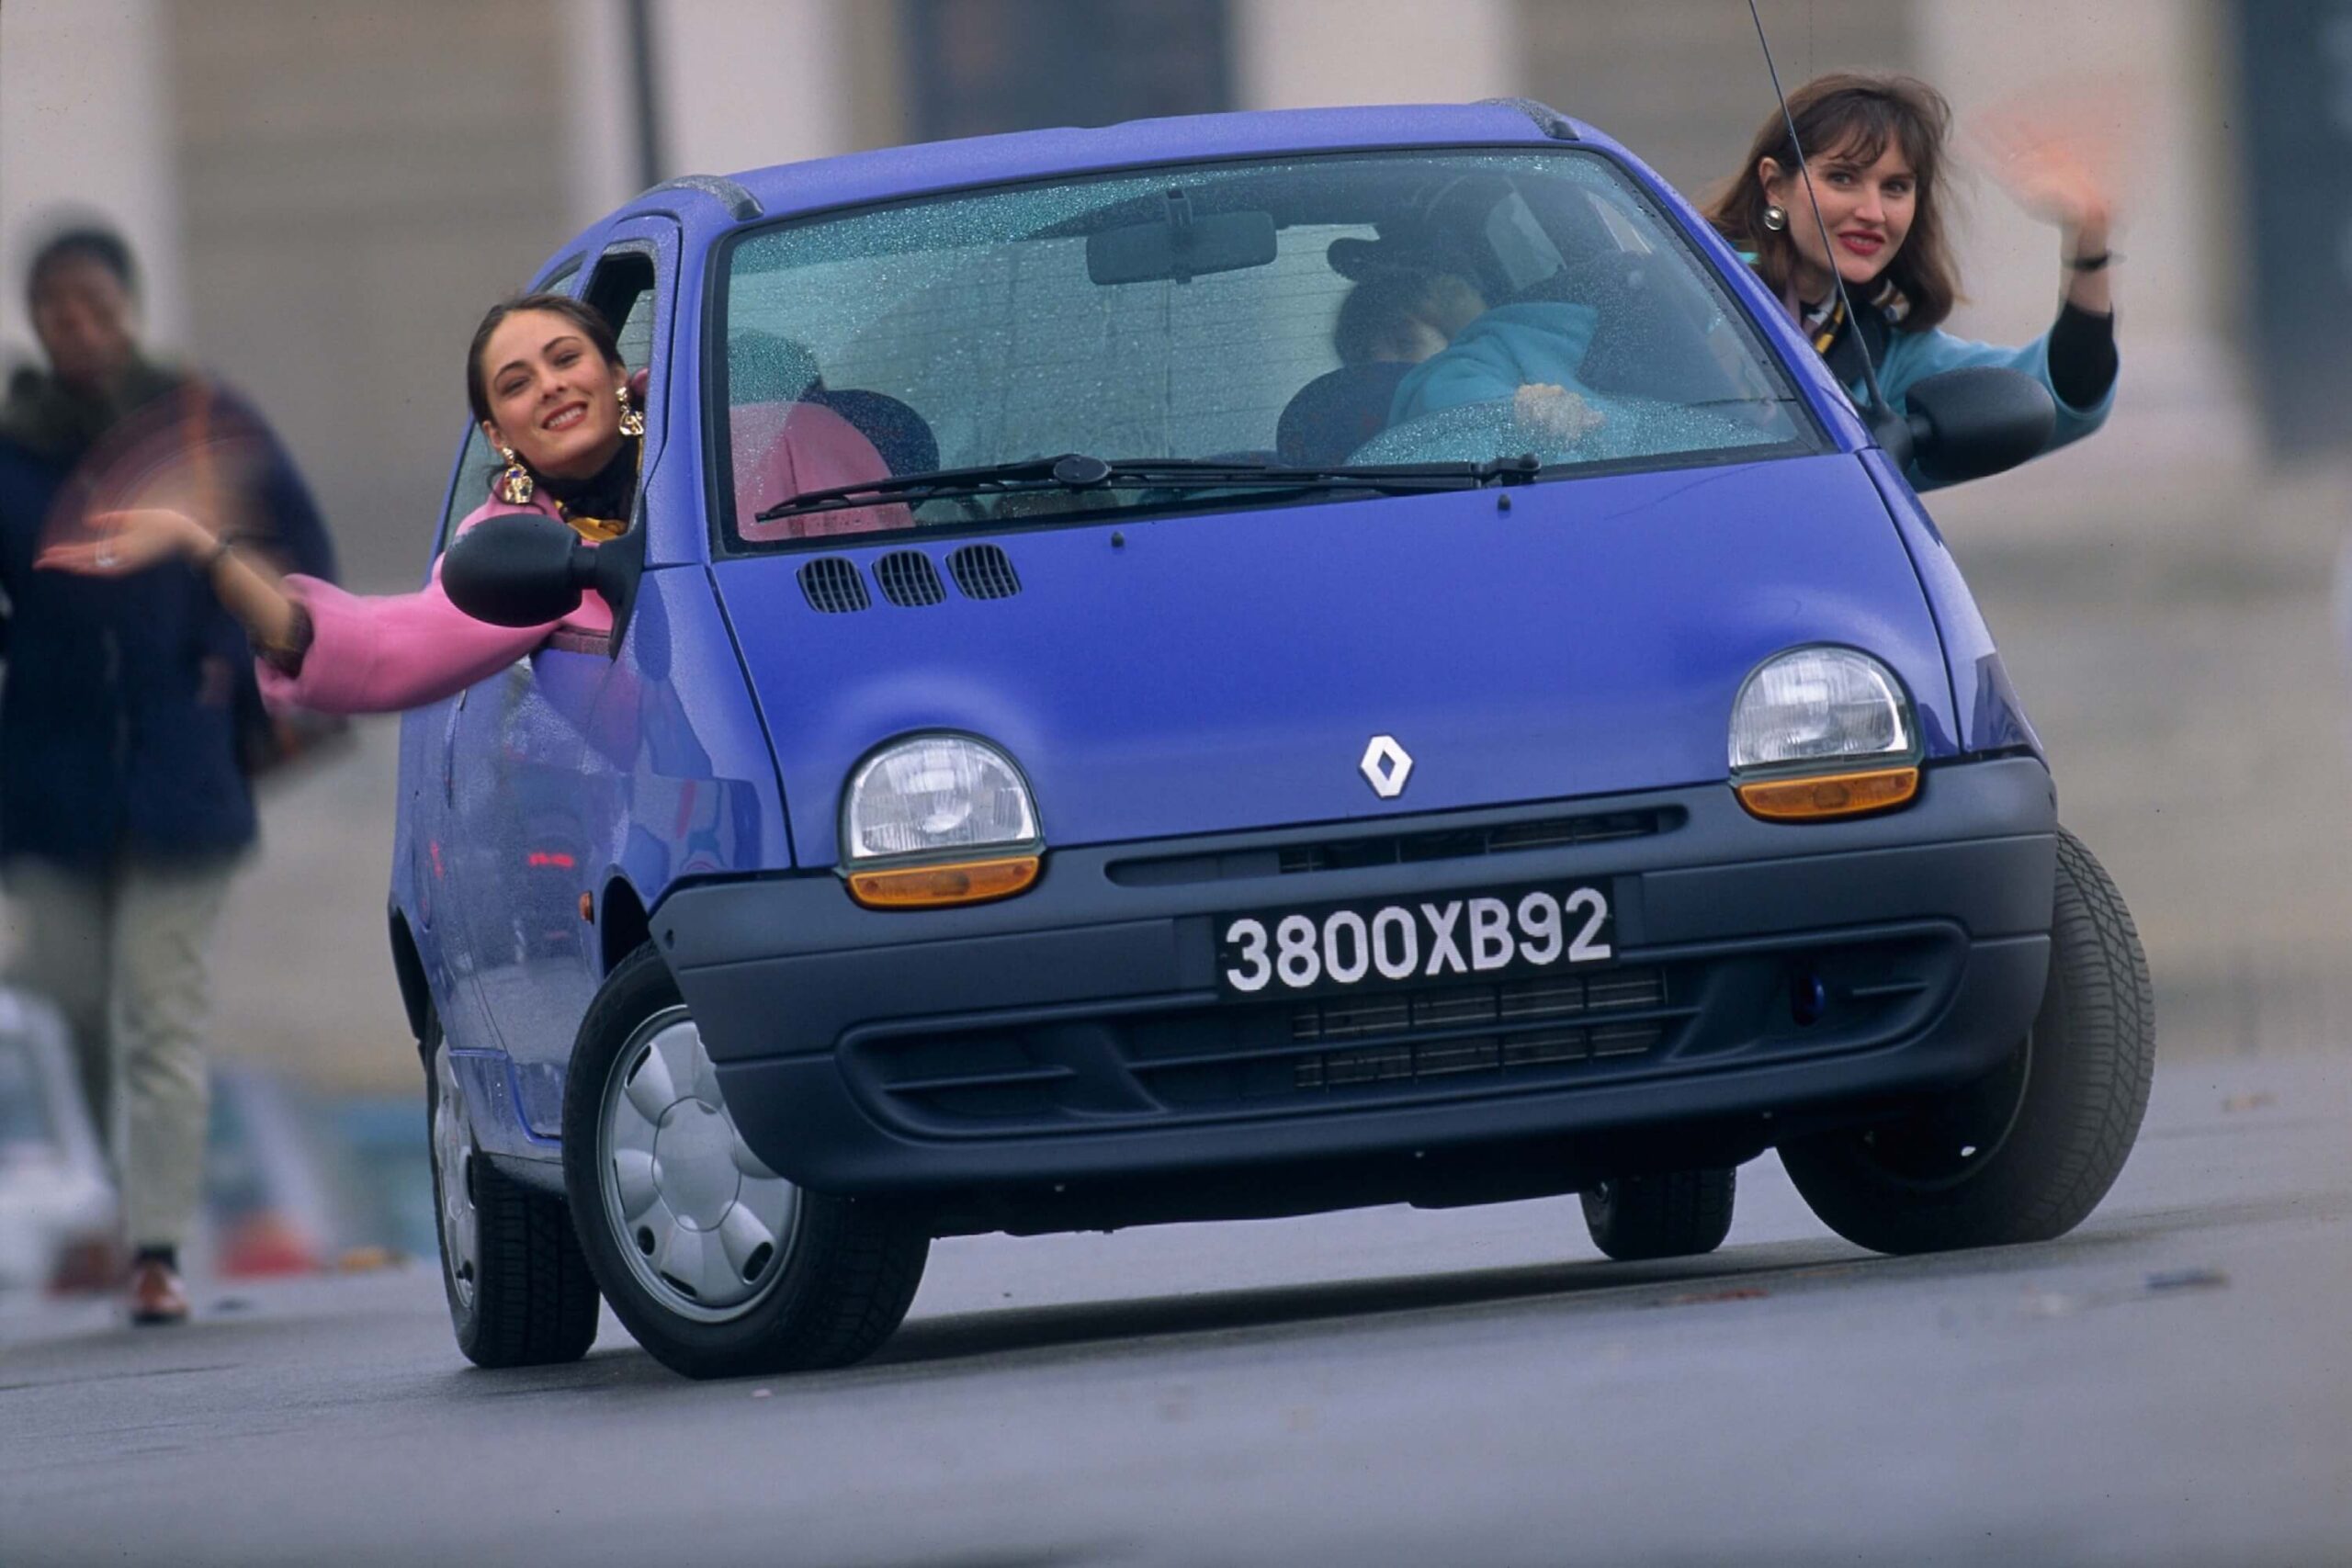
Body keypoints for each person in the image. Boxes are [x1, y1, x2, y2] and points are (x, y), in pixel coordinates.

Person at [0, 224, 337, 1324]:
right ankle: (132, 1193)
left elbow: (301, 564)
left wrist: (231, 683)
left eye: (95, 306)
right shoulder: (13, 444)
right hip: (49, 778)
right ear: (37, 323)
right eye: (57, 311)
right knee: (78, 1001)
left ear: (128, 306)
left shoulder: (201, 423)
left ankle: (155, 1246)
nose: (79, 328)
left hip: (182, 768)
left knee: (160, 1007)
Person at [40, 291, 905, 713]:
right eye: (517, 384)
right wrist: (206, 548)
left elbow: (901, 577)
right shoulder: (505, 550)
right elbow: (374, 649)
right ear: (499, 434)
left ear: (615, 369)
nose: (553, 387)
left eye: (567, 358)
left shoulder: (767, 435)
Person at [1705, 72, 2120, 479]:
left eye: (1896, 187)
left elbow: (2061, 395)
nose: (1873, 212)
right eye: (1843, 178)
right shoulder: (1685, 290)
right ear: (1775, 185)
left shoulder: (1886, 353)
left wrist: (2088, 239)